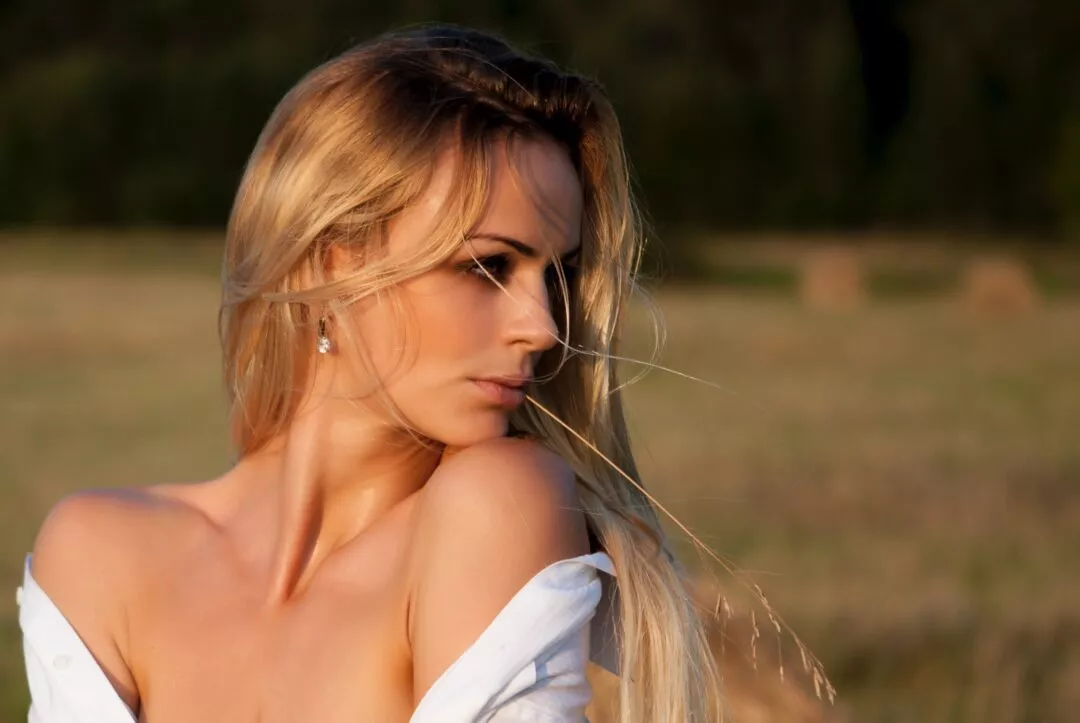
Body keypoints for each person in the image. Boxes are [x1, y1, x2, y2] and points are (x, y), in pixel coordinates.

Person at [18, 24, 722, 722]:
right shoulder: (99, 553)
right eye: (488, 266)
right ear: (332, 258)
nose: (542, 328)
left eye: (557, 274)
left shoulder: (498, 504)